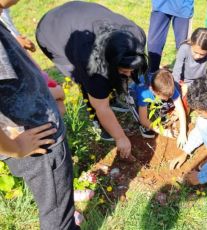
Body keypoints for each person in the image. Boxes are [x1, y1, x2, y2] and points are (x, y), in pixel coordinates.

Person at [36, 1, 149, 161]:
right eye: (124, 71)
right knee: (87, 83)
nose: (130, 74)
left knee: (108, 83)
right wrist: (120, 137)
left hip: (80, 14)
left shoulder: (137, 37)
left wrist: (124, 74)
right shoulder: (93, 65)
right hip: (53, 32)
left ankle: (112, 98)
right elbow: (101, 107)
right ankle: (99, 122)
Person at [0, 0, 77, 229]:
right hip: (40, 146)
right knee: (57, 219)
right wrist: (16, 148)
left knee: (59, 209)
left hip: (38, 136)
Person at [0, 8, 66, 115]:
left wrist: (17, 41)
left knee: (59, 107)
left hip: (32, 73)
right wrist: (55, 92)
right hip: (27, 89)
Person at [129, 69, 187, 148]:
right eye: (165, 98)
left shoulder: (169, 87)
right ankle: (143, 127)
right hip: (135, 92)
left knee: (164, 106)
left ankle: (157, 109)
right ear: (154, 91)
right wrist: (165, 132)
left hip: (154, 92)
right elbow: (143, 120)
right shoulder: (144, 93)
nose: (167, 99)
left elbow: (180, 109)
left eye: (169, 97)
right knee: (137, 107)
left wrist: (183, 133)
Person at [147, 0, 194, 73]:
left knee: (183, 44)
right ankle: (152, 73)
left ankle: (152, 73)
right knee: (183, 43)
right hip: (180, 6)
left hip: (179, 6)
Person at [172, 27, 207, 96]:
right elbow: (176, 73)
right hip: (183, 82)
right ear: (191, 42)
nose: (197, 56)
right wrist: (177, 91)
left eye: (202, 54)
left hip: (200, 83)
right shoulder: (184, 48)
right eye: (195, 52)